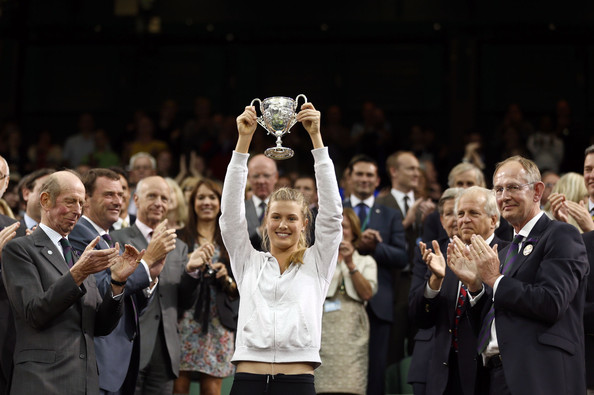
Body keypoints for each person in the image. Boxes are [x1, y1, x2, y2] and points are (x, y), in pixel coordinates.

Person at [220, 102, 342, 394]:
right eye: (276, 217)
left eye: (291, 218)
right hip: (248, 377)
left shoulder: (318, 262)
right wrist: (244, 142)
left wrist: (316, 140)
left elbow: (333, 216)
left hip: (298, 380)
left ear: (304, 224)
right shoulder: (247, 261)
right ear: (265, 222)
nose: (283, 225)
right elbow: (230, 217)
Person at [447, 155, 589, 394]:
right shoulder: (503, 253)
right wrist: (474, 286)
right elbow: (491, 321)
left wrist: (495, 280)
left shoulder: (561, 235)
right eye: (499, 189)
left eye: (513, 187)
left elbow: (552, 302)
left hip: (541, 376)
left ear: (537, 191)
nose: (504, 196)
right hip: (496, 376)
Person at [1, 170, 144, 394]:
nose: (77, 210)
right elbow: (34, 313)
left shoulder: (77, 256)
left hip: (85, 382)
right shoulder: (20, 250)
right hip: (42, 382)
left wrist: (117, 282)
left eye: (80, 202)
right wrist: (77, 274)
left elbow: (100, 326)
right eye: (70, 202)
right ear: (45, 200)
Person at [68, 168, 158, 395]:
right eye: (109, 194)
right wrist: (146, 266)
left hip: (118, 364)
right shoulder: (78, 235)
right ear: (86, 199)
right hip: (97, 362)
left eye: (121, 194)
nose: (118, 201)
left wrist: (150, 278)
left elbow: (125, 303)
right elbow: (97, 293)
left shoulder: (110, 240)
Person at [410, 186, 507, 395]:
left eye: (473, 213)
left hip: (486, 375)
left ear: (493, 220)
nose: (463, 220)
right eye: (460, 213)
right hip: (443, 375)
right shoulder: (445, 256)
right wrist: (435, 280)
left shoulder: (508, 255)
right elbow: (421, 319)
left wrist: (476, 286)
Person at [111, 175, 199, 394]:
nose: (159, 203)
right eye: (152, 196)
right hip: (128, 343)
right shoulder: (117, 238)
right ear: (136, 199)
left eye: (164, 198)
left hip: (166, 348)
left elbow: (184, 302)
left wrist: (192, 272)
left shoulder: (178, 246)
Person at [342, 154, 407, 395]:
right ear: (348, 178)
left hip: (378, 304)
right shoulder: (334, 211)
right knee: (340, 366)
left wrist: (376, 248)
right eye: (358, 174)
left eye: (369, 174)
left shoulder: (389, 215)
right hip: (339, 301)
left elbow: (402, 257)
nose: (364, 179)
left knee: (376, 370)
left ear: (378, 179)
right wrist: (358, 244)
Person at [174, 179, 239, 395]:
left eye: (212, 197)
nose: (207, 202)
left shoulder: (231, 239)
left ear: (221, 202)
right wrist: (190, 264)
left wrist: (225, 276)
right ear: (192, 203)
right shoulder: (180, 237)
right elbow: (171, 279)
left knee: (212, 390)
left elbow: (242, 288)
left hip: (218, 321)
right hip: (185, 319)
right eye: (201, 197)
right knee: (179, 386)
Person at [376, 150, 436, 363]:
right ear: (393, 171)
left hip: (422, 279)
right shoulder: (381, 204)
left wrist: (431, 221)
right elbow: (376, 243)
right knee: (392, 345)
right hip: (392, 283)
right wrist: (406, 222)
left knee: (419, 341)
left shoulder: (427, 205)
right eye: (410, 168)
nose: (416, 173)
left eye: (417, 169)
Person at [315, 208, 378, 395]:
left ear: (355, 231)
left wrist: (351, 264)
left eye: (345, 227)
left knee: (352, 387)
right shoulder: (319, 261)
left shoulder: (366, 261)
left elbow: (367, 294)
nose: (341, 230)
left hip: (352, 334)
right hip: (323, 333)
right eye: (336, 226)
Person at [407, 187, 461, 394]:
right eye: (449, 213)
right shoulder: (427, 251)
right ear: (441, 220)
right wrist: (435, 280)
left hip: (471, 360)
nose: (456, 219)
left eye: (461, 212)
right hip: (429, 358)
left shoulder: (489, 252)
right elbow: (414, 309)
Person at [245, 154, 278, 250]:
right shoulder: (239, 211)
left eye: (266, 175)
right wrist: (259, 232)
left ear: (276, 177)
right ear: (248, 177)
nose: (261, 181)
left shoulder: (287, 209)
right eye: (256, 176)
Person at [17, 168, 54, 235]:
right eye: (44, 190)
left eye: (55, 193)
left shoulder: (68, 235)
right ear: (26, 194)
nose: (49, 197)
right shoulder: (8, 233)